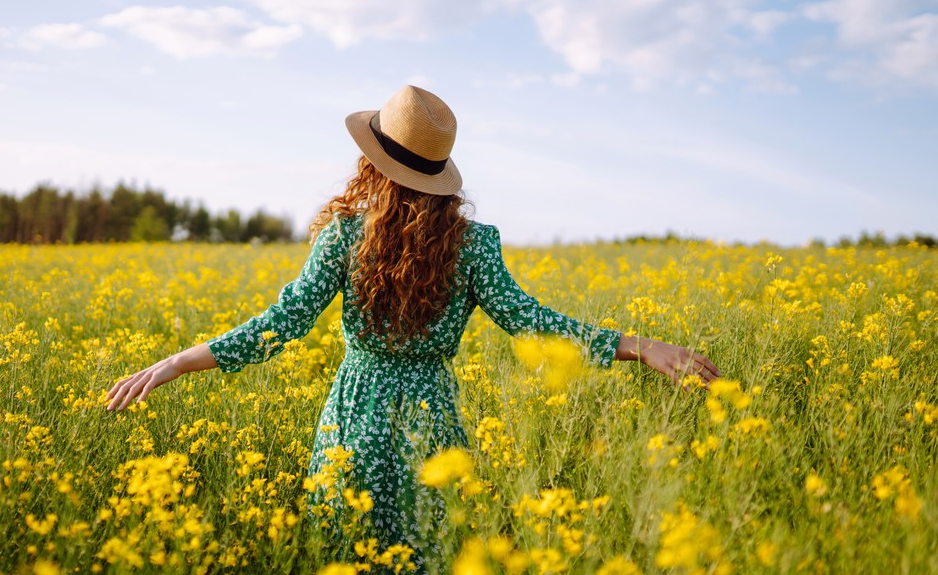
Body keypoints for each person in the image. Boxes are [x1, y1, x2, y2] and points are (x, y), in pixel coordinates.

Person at [105, 85, 721, 559]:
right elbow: (530, 321)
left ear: (371, 163)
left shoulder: (344, 238)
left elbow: (281, 324)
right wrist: (639, 346)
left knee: (349, 551)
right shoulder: (473, 244)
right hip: (431, 427)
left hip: (354, 417)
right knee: (427, 554)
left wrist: (178, 361)